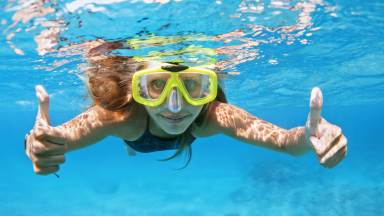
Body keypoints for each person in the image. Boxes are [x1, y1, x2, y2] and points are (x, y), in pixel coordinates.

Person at [24, 41, 347, 175]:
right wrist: (37, 145)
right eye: (156, 86)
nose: (175, 106)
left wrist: (311, 136)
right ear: (137, 89)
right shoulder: (120, 117)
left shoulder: (215, 116)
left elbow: (287, 143)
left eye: (193, 85)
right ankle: (132, 148)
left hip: (153, 134)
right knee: (130, 142)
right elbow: (57, 138)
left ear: (209, 89)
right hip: (134, 136)